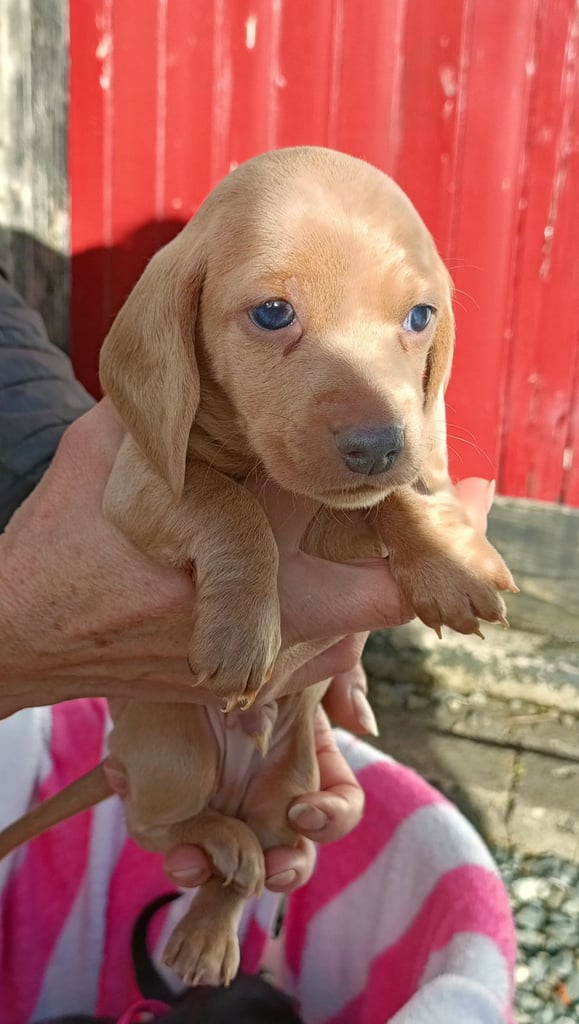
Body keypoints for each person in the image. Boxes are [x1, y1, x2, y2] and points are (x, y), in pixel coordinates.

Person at [0, 270, 515, 1023]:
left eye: (412, 319)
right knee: (181, 772)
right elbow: (160, 483)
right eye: (275, 315)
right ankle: (197, 839)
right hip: (174, 737)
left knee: (288, 809)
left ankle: (225, 890)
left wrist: (417, 534)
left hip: (279, 723)